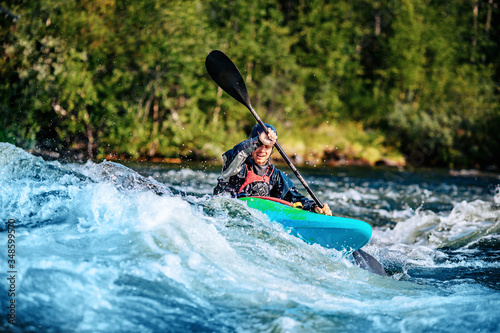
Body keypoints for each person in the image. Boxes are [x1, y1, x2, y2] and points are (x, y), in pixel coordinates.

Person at [214, 123, 332, 215]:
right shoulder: (237, 166)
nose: (262, 150)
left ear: (272, 150)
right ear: (252, 145)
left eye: (267, 147)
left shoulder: (275, 175)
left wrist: (314, 206)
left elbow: (294, 197)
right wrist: (259, 140)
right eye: (259, 146)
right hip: (226, 214)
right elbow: (232, 156)